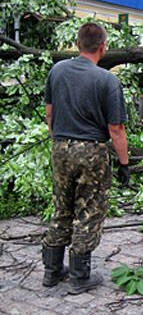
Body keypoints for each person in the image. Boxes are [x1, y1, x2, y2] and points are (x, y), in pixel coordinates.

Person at [43, 22, 130, 294]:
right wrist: (124, 164)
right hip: (91, 150)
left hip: (60, 146)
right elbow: (116, 129)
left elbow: (49, 114)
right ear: (103, 47)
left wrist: (61, 140)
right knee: (88, 210)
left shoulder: (57, 71)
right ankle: (80, 275)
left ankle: (52, 270)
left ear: (78, 44)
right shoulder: (107, 80)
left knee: (61, 206)